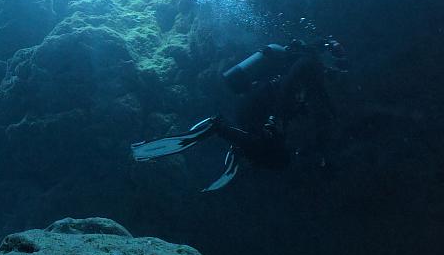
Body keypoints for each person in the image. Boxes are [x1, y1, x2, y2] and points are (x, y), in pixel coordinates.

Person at [132, 38, 348, 191]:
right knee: (276, 156)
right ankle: (217, 127)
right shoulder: (309, 63)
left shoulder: (310, 72)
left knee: (277, 157)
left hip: (259, 108)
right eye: (339, 64)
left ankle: (239, 146)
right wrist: (276, 119)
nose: (338, 73)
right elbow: (288, 87)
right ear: (326, 54)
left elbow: (303, 102)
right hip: (259, 107)